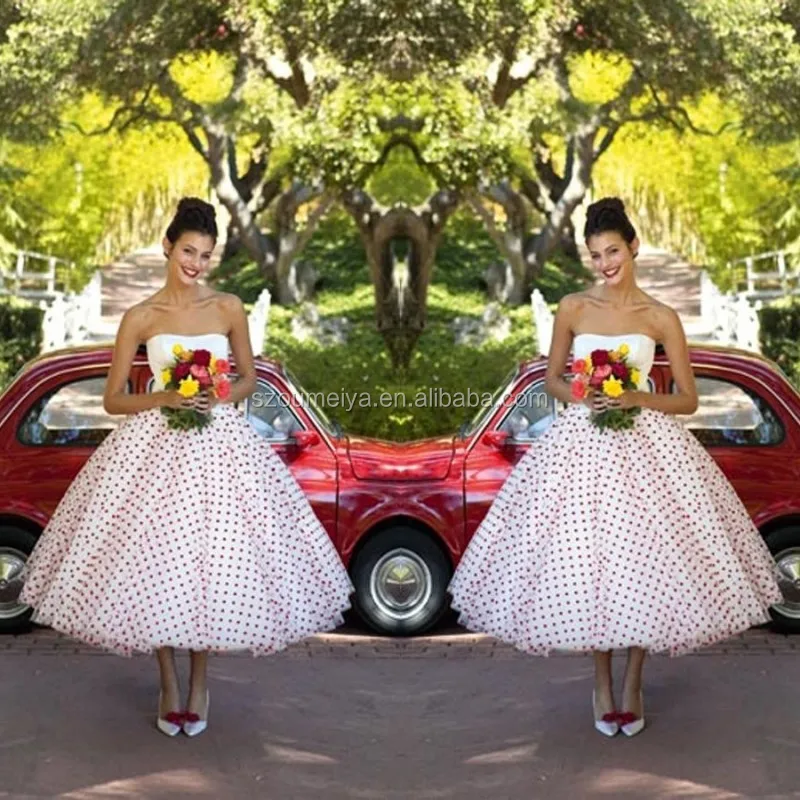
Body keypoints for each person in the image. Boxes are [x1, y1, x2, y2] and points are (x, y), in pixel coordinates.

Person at [447, 197, 782, 738]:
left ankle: (633, 683)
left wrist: (635, 399)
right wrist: (586, 395)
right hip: (581, 448)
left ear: (633, 248)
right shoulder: (574, 308)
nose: (604, 263)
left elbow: (689, 400)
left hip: (647, 449)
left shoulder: (659, 317)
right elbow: (552, 379)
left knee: (643, 566)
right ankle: (601, 683)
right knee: (592, 567)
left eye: (613, 252)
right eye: (595, 254)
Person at [20, 197, 353, 737]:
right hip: (153, 450)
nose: (196, 263)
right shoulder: (142, 317)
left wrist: (216, 395)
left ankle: (199, 684)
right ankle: (168, 683)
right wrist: (165, 398)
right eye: (188, 251)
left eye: (206, 254)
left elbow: (249, 379)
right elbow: (112, 401)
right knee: (158, 566)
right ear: (167, 248)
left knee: (208, 569)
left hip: (220, 449)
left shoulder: (227, 308)